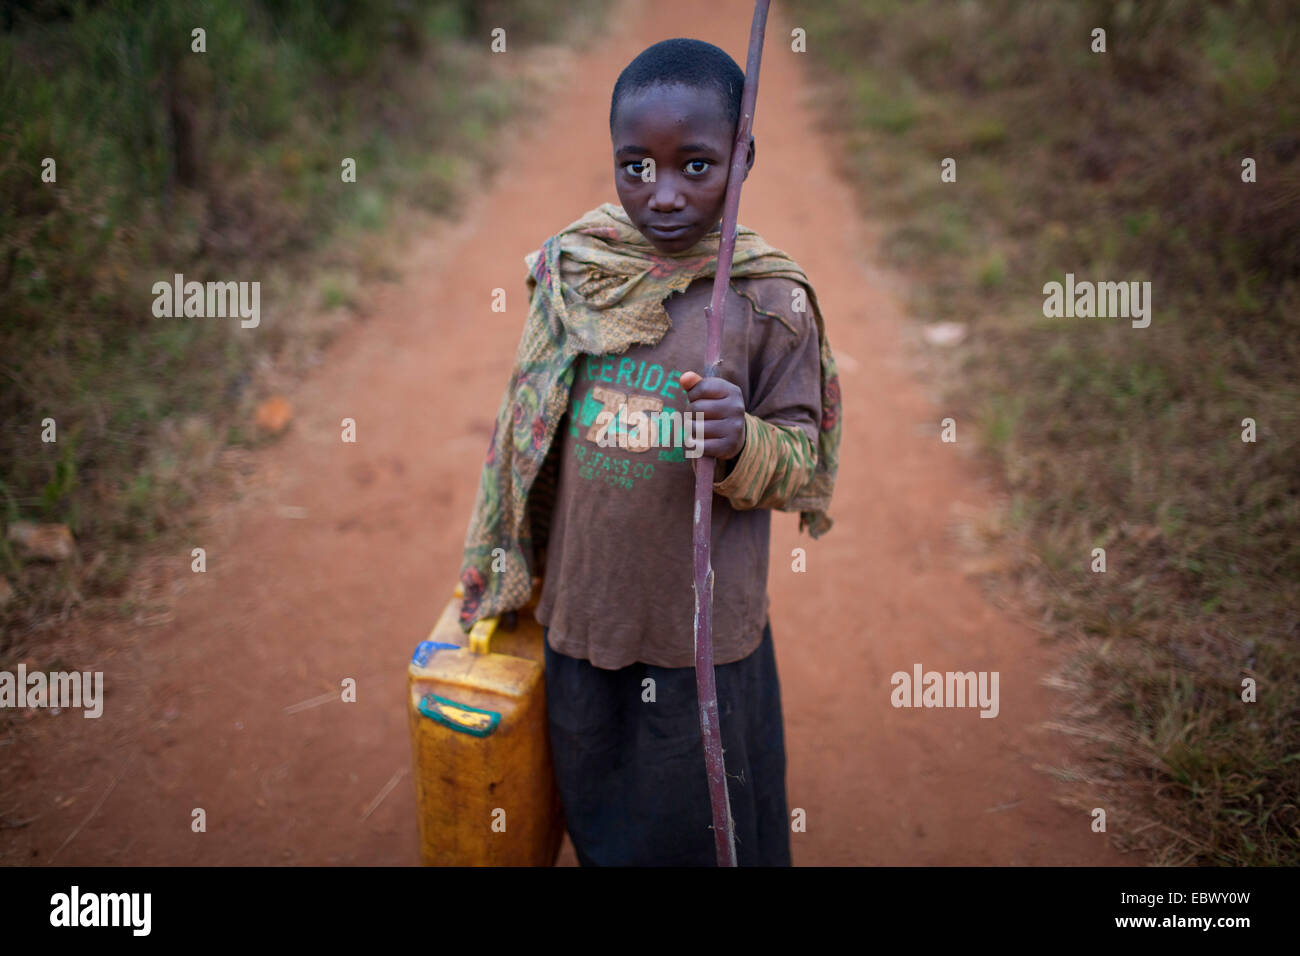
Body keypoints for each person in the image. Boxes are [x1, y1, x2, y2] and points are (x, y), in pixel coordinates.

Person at [457, 37, 841, 866]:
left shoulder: (767, 299)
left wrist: (743, 439)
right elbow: (530, 431)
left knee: (705, 821)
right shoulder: (581, 270)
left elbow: (806, 460)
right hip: (583, 615)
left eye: (695, 166)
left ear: (744, 157)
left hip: (698, 635)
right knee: (599, 814)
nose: (662, 194)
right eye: (637, 166)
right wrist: (508, 561)